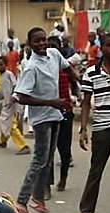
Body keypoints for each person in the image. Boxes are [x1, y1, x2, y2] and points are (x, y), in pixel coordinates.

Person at [13, 27, 78, 213]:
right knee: (39, 160)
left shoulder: (53, 53)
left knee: (48, 160)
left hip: (55, 115)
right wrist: (50, 102)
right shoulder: (31, 67)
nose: (42, 44)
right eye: (37, 41)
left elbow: (67, 67)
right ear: (30, 44)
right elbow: (21, 97)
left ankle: (38, 198)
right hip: (41, 118)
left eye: (44, 40)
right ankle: (21, 201)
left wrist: (78, 79)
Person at [78, 33, 110, 213]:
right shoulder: (91, 73)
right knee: (96, 171)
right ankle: (86, 210)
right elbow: (86, 103)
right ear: (102, 48)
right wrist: (83, 129)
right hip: (102, 130)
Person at [48, 36, 76, 192]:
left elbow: (75, 82)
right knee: (48, 152)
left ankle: (63, 179)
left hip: (66, 112)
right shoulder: (43, 68)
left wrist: (78, 95)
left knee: (64, 150)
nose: (52, 49)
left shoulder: (66, 67)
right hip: (48, 113)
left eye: (55, 46)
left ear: (60, 49)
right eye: (49, 46)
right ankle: (47, 183)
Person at [0, 57, 30, 155]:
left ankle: (23, 145)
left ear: (6, 65)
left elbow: (15, 86)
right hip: (6, 103)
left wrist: (14, 96)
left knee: (11, 125)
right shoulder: (1, 76)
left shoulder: (9, 74)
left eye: (1, 64)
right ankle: (3, 141)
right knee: (4, 122)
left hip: (12, 103)